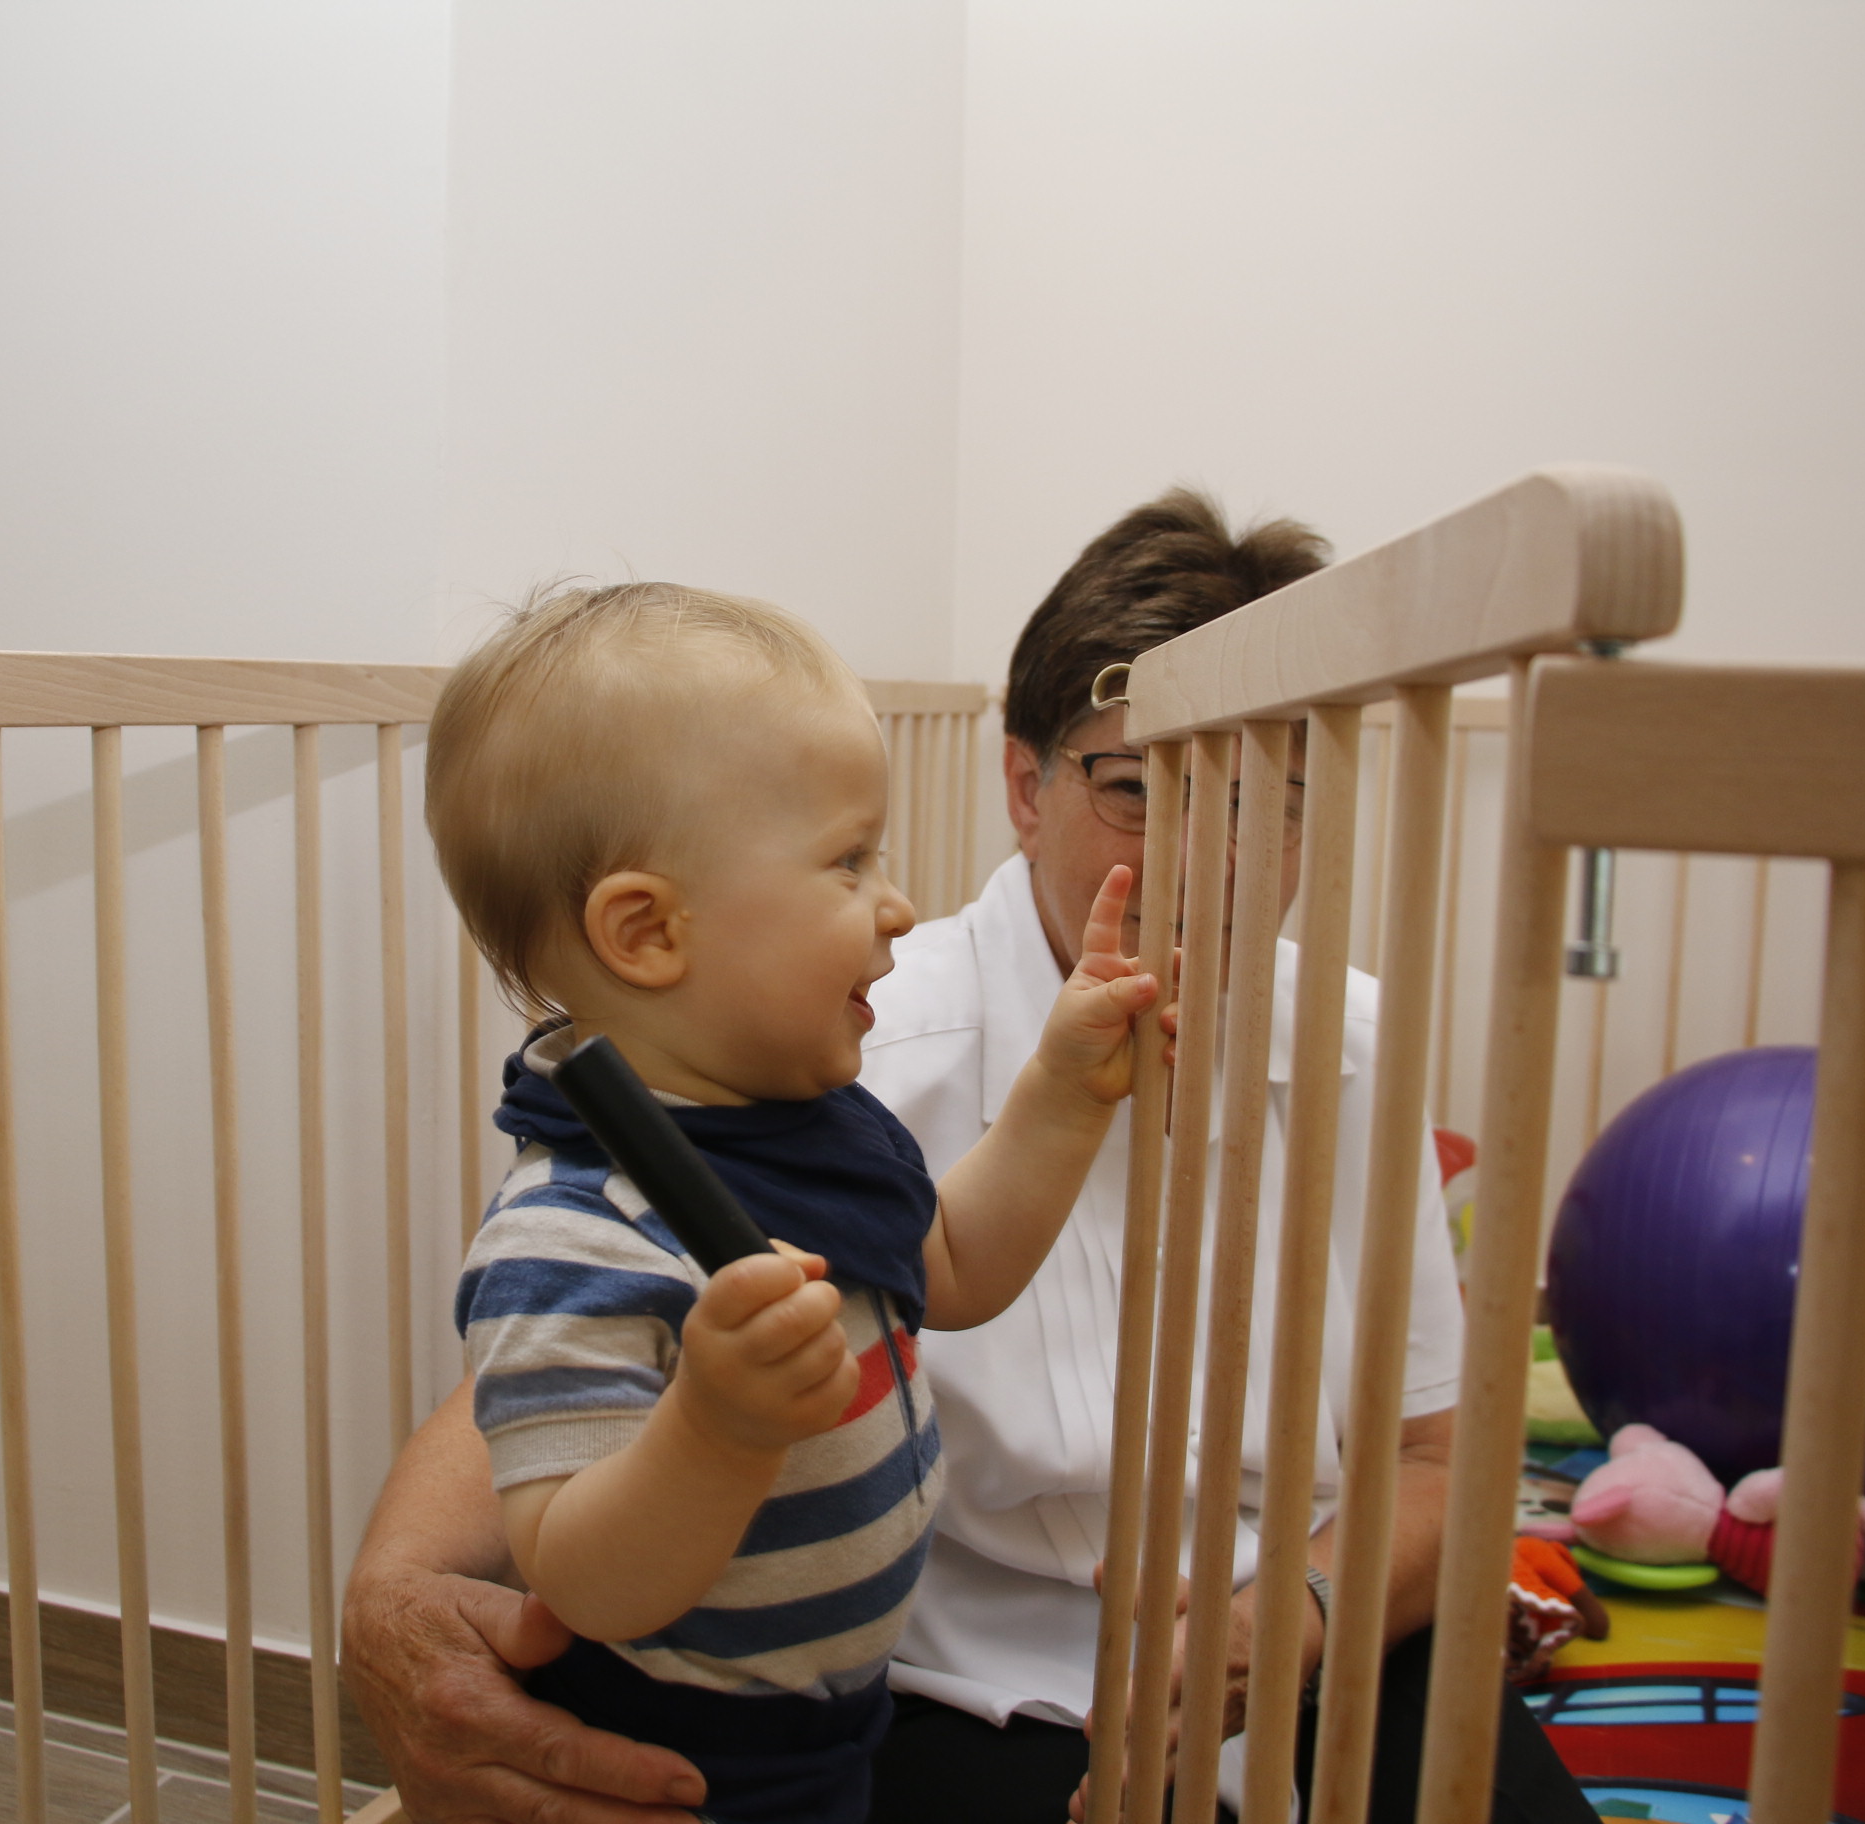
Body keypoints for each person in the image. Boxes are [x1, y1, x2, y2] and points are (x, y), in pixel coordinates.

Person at [344, 493, 1596, 1823]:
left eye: (1270, 801)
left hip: (1301, 1620)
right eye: (1137, 789)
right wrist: (393, 1583)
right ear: (1024, 787)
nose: (1213, 859)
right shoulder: (830, 1050)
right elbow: (579, 1355)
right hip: (940, 1677)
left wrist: (1292, 1615)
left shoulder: (1352, 1041)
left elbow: (1431, 1456)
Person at [426, 582, 1162, 1824]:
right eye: (849, 861)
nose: (899, 905)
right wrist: (714, 1427)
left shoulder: (810, 1128)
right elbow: (582, 1577)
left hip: (837, 1707)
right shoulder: (573, 1236)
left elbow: (953, 1265)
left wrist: (1062, 1093)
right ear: (647, 931)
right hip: (695, 1748)